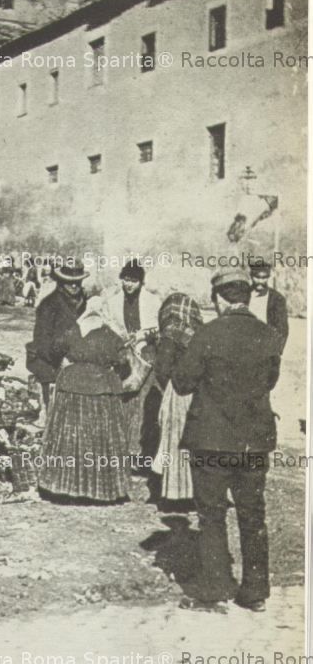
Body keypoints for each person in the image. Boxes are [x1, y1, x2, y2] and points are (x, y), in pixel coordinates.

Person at [172, 269, 282, 614]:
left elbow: (182, 383)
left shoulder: (207, 334)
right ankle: (255, 592)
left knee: (212, 515)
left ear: (219, 299)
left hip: (212, 440)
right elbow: (270, 380)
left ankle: (214, 591)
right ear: (246, 297)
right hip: (254, 441)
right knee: (253, 515)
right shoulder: (269, 335)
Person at [38, 296, 130, 503]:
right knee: (99, 440)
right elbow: (123, 359)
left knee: (70, 439)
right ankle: (100, 490)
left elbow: (54, 349)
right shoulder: (110, 335)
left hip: (71, 387)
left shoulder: (73, 330)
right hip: (101, 389)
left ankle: (64, 485)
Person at [102, 260, 161, 460]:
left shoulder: (152, 301)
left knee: (141, 403)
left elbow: (158, 328)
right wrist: (120, 337)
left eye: (133, 281)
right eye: (126, 279)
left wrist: (141, 335)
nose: (128, 284)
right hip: (123, 356)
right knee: (124, 399)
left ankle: (138, 449)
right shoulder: (113, 301)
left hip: (146, 355)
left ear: (141, 282)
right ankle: (122, 446)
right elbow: (108, 323)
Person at [151, 293, 203, 504]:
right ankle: (196, 492)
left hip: (178, 393)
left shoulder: (170, 334)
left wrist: (171, 389)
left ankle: (176, 493)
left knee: (175, 443)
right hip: (199, 394)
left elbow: (161, 369)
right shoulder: (201, 334)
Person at [26, 259, 88, 411]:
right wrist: (61, 359)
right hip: (51, 361)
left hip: (78, 359)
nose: (74, 286)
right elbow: (42, 341)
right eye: (69, 282)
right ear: (61, 282)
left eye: (77, 282)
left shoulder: (85, 302)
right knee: (55, 406)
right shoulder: (48, 305)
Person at [248, 260, 288, 352]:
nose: (260, 281)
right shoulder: (244, 295)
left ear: (268, 277)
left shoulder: (277, 298)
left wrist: (277, 351)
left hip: (267, 347)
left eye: (264, 278)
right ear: (251, 276)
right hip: (246, 345)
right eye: (257, 277)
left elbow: (282, 328)